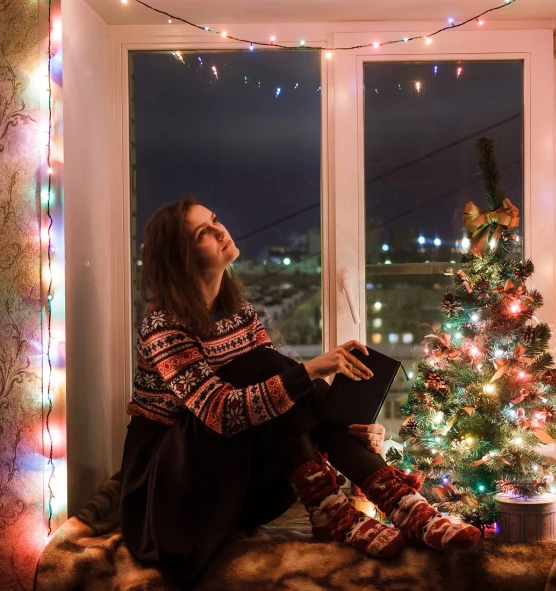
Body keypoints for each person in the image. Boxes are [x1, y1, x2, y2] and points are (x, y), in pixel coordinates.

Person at [119, 197, 480, 586]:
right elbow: (222, 413)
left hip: (237, 484)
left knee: (275, 377)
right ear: (180, 258)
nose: (221, 231)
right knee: (270, 367)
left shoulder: (239, 312)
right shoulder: (162, 326)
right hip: (171, 495)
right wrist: (313, 369)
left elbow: (277, 405)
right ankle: (362, 504)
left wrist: (352, 431)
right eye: (203, 233)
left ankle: (389, 502)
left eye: (216, 220)